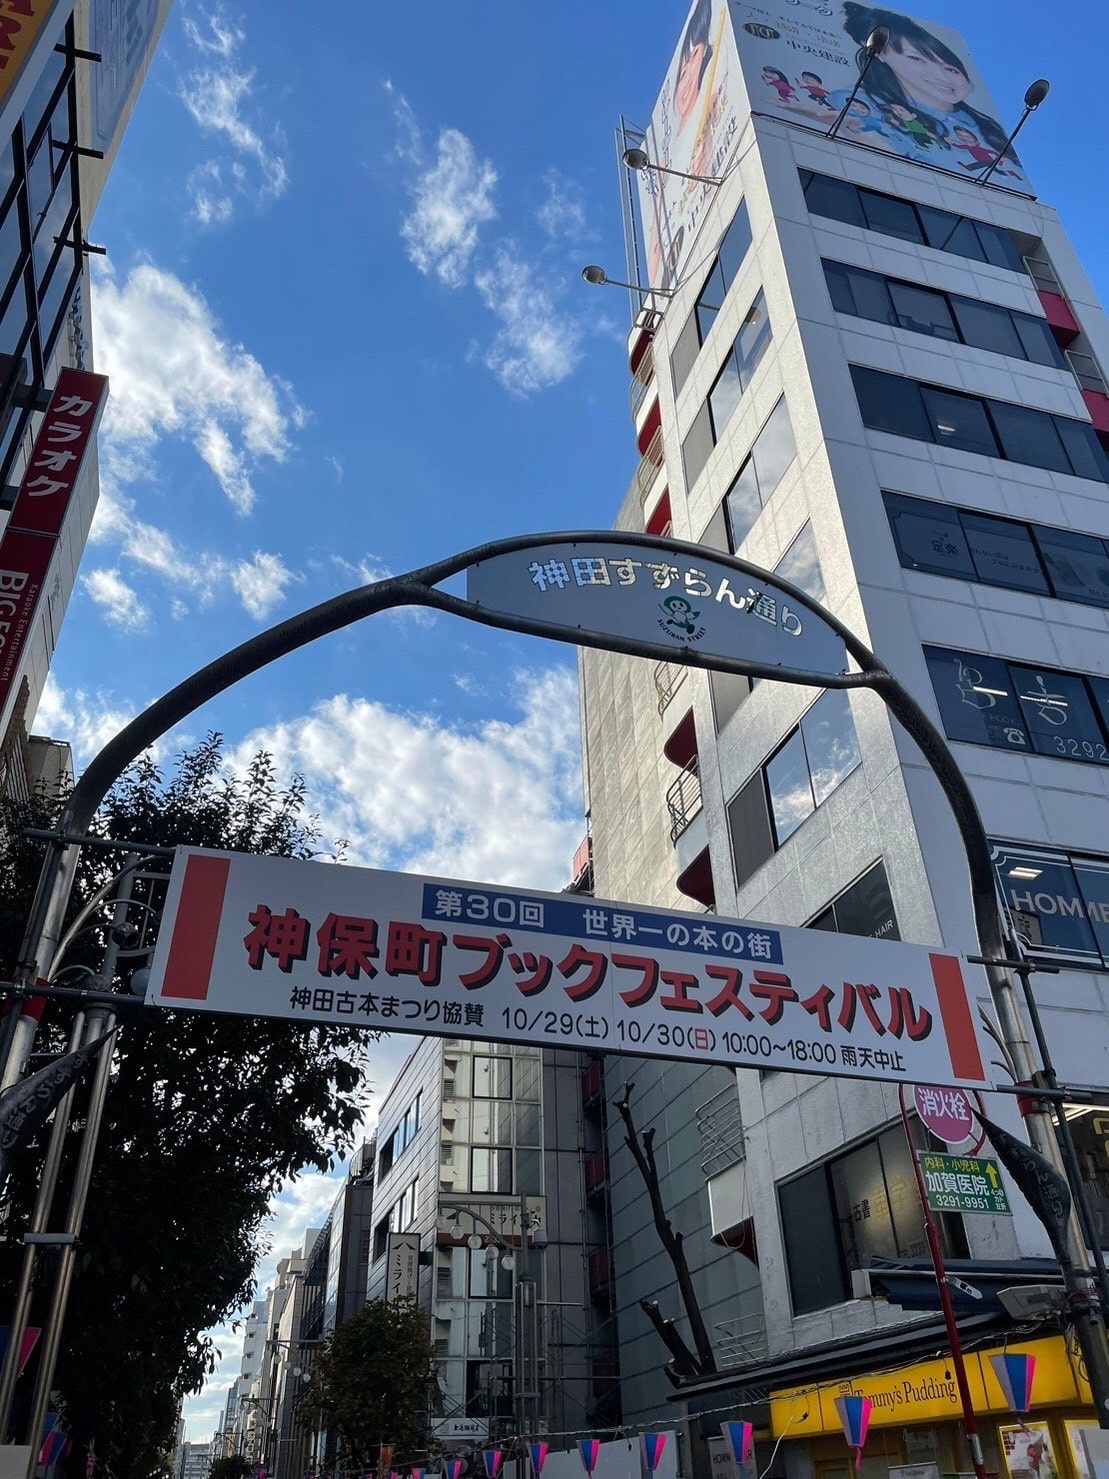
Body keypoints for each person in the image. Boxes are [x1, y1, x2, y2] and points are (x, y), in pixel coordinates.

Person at [841, 3, 1020, 172]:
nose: (942, 77)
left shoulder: (987, 126)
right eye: (916, 59)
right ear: (879, 54)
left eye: (950, 68)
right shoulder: (868, 106)